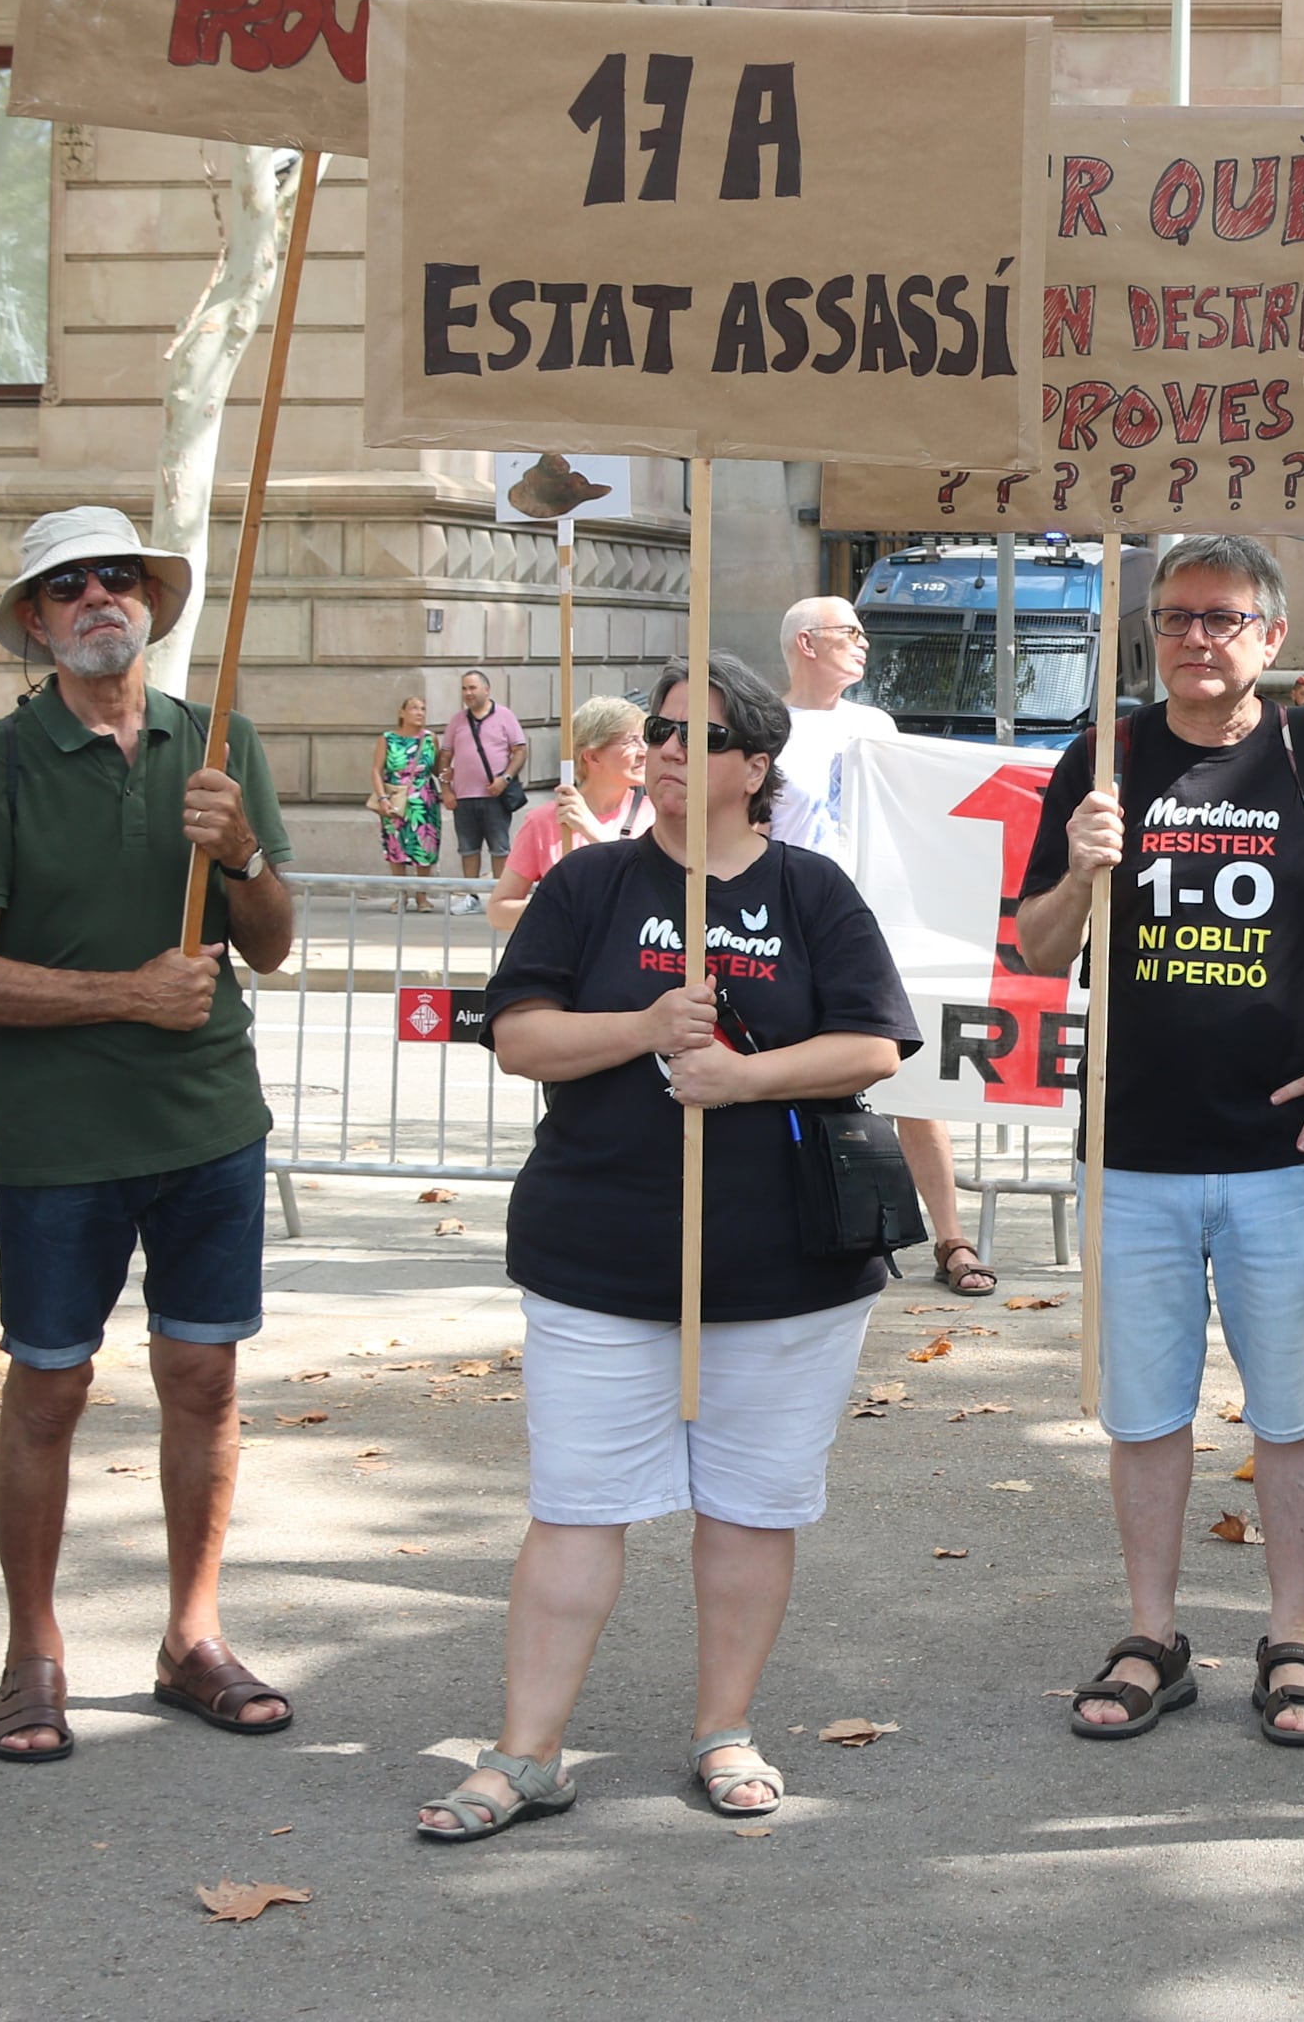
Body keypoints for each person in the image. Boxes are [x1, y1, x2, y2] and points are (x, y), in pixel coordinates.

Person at [417, 653, 922, 1839]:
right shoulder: (589, 883)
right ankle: (526, 1752)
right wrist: (643, 1025)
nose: (672, 746)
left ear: (757, 765)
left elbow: (873, 1045)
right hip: (603, 1251)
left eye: (705, 732)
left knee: (750, 1508)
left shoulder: (811, 891)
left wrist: (743, 1076)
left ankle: (724, 1729)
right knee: (577, 1504)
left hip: (782, 1266)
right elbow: (521, 1035)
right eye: (661, 727)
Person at [1012, 536, 1304, 1746]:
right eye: (1176, 618)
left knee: (1288, 1410)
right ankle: (1154, 1632)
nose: (1197, 637)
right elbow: (1037, 953)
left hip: (1281, 1148)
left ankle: (1291, 1637)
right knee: (1144, 1413)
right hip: (1132, 1150)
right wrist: (1085, 874)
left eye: (1223, 618)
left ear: (1270, 636)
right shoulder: (1103, 758)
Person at [0, 507, 299, 1766]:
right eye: (66, 583)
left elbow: (273, 942)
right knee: (50, 1389)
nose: (97, 596)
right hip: (58, 1138)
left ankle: (193, 1636)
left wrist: (240, 851)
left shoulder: (219, 739)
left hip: (208, 1120)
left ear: (152, 601)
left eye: (118, 576)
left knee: (204, 1378)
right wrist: (126, 994)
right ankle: (33, 1653)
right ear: (35, 622)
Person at [776, 593, 992, 1298]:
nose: (865, 644)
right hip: (789, 923)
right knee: (789, 1075)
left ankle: (952, 1237)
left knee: (913, 1078)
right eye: (851, 632)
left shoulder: (875, 724)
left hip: (874, 923)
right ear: (807, 643)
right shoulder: (765, 725)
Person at [491, 694, 654, 934]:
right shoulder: (544, 822)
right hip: (566, 965)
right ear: (593, 756)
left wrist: (595, 833)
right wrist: (555, 908)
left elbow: (661, 895)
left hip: (630, 963)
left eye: (645, 740)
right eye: (632, 741)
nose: (644, 751)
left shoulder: (659, 816)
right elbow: (498, 910)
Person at [442, 668, 527, 887]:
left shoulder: (505, 716)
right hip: (464, 797)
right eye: (464, 688)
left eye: (472, 688)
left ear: (486, 690)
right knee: (468, 849)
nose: (468, 693)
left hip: (495, 795)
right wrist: (446, 789)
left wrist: (505, 779)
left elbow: (520, 751)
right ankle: (471, 894)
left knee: (499, 848)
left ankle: (499, 894)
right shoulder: (457, 720)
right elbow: (446, 755)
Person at [372, 690, 447, 886]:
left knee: (425, 845)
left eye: (423, 709)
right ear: (402, 713)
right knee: (396, 845)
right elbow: (376, 770)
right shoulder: (387, 738)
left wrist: (449, 773)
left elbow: (437, 769)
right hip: (395, 797)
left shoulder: (431, 739)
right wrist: (382, 798)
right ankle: (401, 894)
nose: (420, 712)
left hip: (424, 800)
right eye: (414, 708)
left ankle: (422, 895)